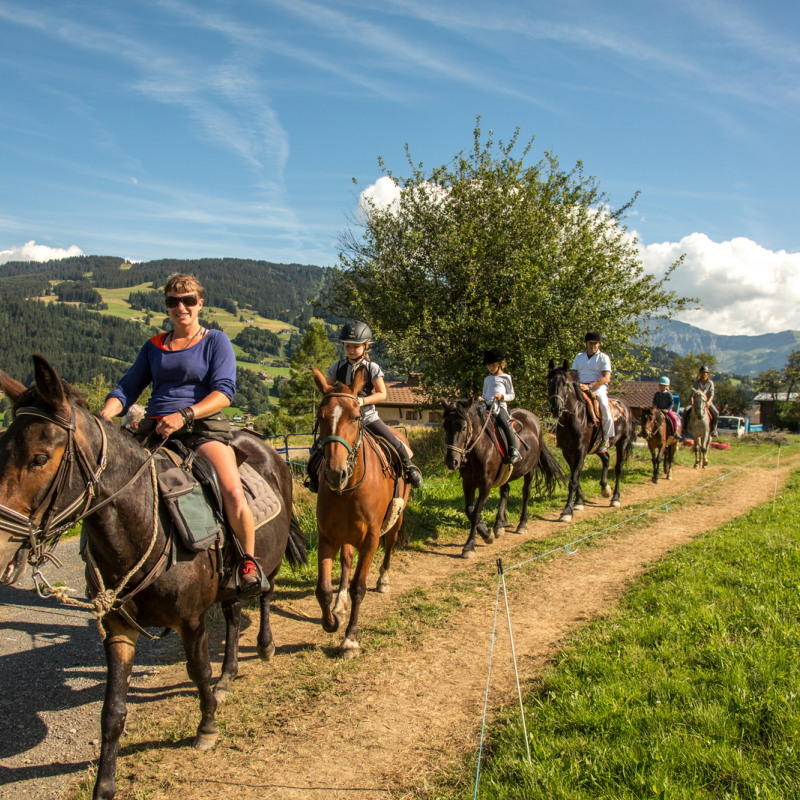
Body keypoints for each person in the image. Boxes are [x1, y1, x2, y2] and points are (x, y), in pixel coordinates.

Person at [99, 274, 260, 587]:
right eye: (173, 301)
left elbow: (225, 393)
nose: (180, 306)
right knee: (108, 482)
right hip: (156, 427)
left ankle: (248, 563)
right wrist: (106, 413)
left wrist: (185, 415)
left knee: (230, 489)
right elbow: (128, 387)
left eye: (188, 300)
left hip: (203, 427)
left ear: (200, 304)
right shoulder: (153, 346)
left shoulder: (216, 341)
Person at [322, 321, 423, 488]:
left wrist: (362, 401)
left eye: (355, 346)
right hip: (344, 419)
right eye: (347, 346)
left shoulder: (372, 367)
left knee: (393, 440)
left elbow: (382, 393)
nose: (350, 349)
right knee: (321, 444)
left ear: (366, 346)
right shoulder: (337, 367)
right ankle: (314, 474)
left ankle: (409, 466)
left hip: (367, 416)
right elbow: (328, 391)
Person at [570, 331, 614, 453]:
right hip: (580, 385)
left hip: (598, 387)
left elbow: (606, 377)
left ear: (599, 344)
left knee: (604, 407)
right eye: (590, 343)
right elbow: (573, 374)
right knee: (565, 403)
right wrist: (575, 384)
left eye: (595, 343)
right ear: (586, 343)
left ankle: (606, 437)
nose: (593, 345)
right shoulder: (578, 357)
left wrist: (589, 386)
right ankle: (561, 435)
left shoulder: (604, 358)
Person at [478, 348, 520, 464]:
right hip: (486, 406)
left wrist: (502, 396)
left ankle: (514, 449)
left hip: (499, 406)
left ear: (500, 364)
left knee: (503, 422)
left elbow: (512, 395)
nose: (490, 368)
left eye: (493, 365)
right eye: (488, 366)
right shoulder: (487, 379)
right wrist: (482, 399)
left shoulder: (506, 378)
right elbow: (485, 395)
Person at [692, 364, 719, 437]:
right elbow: (692, 393)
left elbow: (712, 394)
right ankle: (685, 428)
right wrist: (692, 401)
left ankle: (713, 430)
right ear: (700, 373)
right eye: (702, 373)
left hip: (706, 402)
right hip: (697, 402)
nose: (703, 374)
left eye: (704, 373)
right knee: (686, 411)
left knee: (716, 413)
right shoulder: (696, 383)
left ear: (707, 374)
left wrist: (709, 401)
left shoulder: (710, 383)